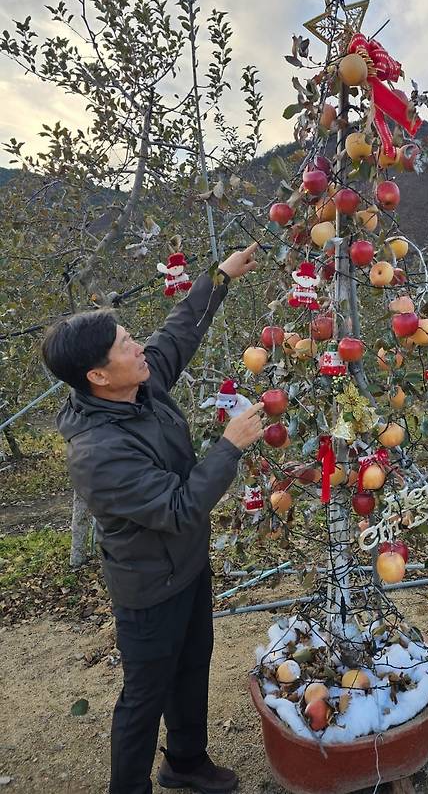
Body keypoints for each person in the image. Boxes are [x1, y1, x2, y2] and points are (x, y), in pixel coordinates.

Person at [42, 242, 263, 794]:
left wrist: (219, 278)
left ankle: (185, 762)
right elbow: (178, 507)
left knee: (192, 667)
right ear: (98, 375)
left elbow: (176, 334)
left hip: (187, 565)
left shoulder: (138, 388)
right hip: (148, 588)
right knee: (144, 696)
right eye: (125, 345)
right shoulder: (98, 453)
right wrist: (229, 447)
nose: (139, 347)